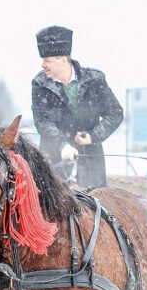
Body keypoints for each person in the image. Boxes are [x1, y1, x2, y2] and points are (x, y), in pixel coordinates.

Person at [31, 25, 124, 188]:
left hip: (91, 166)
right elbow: (43, 122)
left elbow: (115, 113)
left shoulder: (95, 80)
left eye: (47, 60)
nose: (43, 65)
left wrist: (92, 136)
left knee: (94, 208)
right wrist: (62, 145)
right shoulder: (40, 84)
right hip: (53, 166)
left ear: (63, 59)